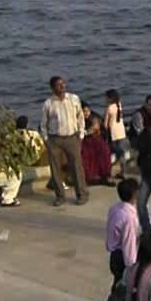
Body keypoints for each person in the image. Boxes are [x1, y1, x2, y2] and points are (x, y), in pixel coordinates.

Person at [101, 180, 140, 301]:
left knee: (118, 291)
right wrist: (132, 268)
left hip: (114, 255)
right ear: (134, 195)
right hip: (123, 258)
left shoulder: (116, 209)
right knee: (121, 295)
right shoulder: (129, 216)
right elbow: (129, 244)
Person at [42, 76, 89, 207]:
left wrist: (81, 134)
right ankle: (60, 196)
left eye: (63, 84)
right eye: (59, 85)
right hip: (55, 139)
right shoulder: (48, 104)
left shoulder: (74, 99)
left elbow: (80, 116)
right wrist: (46, 139)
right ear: (53, 88)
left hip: (72, 138)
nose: (62, 86)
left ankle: (82, 194)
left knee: (77, 167)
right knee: (56, 169)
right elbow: (43, 124)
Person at [104, 89, 132, 172]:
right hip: (121, 131)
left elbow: (106, 124)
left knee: (115, 151)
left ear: (110, 98)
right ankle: (123, 170)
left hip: (113, 133)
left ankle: (110, 168)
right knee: (122, 152)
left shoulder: (109, 108)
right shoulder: (119, 105)